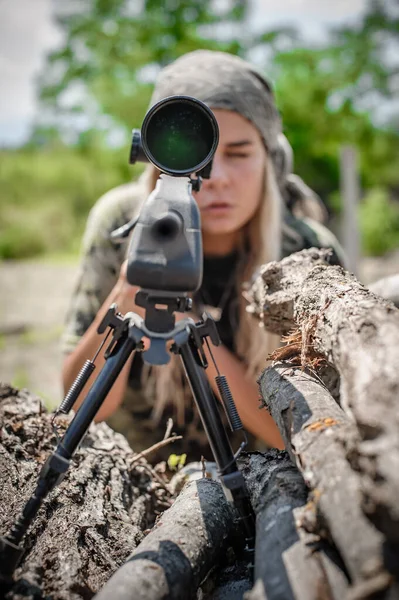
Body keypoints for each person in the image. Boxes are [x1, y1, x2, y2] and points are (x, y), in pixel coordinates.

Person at [61, 50, 345, 462]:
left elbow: (306, 434)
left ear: (269, 158)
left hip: (263, 478)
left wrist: (189, 326)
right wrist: (129, 295)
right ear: (155, 158)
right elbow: (77, 412)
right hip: (136, 467)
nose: (216, 178)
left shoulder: (305, 249)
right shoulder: (122, 223)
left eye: (240, 153)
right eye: (198, 155)